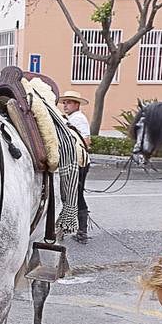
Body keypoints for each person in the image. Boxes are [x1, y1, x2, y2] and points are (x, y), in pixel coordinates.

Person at [58, 90, 92, 243]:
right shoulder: (71, 118)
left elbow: (86, 141)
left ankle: (82, 231)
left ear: (77, 105)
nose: (65, 105)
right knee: (72, 193)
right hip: (74, 161)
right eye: (64, 102)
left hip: (79, 162)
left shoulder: (78, 119)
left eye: (69, 102)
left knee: (76, 193)